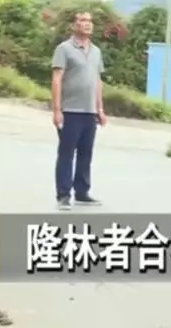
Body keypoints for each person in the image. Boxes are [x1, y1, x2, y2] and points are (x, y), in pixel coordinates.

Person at [51, 11, 107, 210]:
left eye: (90, 21)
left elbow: (97, 81)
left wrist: (100, 109)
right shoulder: (64, 49)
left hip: (89, 111)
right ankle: (63, 195)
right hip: (70, 110)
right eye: (83, 20)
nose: (87, 24)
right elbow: (57, 79)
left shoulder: (96, 51)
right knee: (66, 153)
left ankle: (82, 192)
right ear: (73, 25)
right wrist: (57, 110)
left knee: (85, 154)